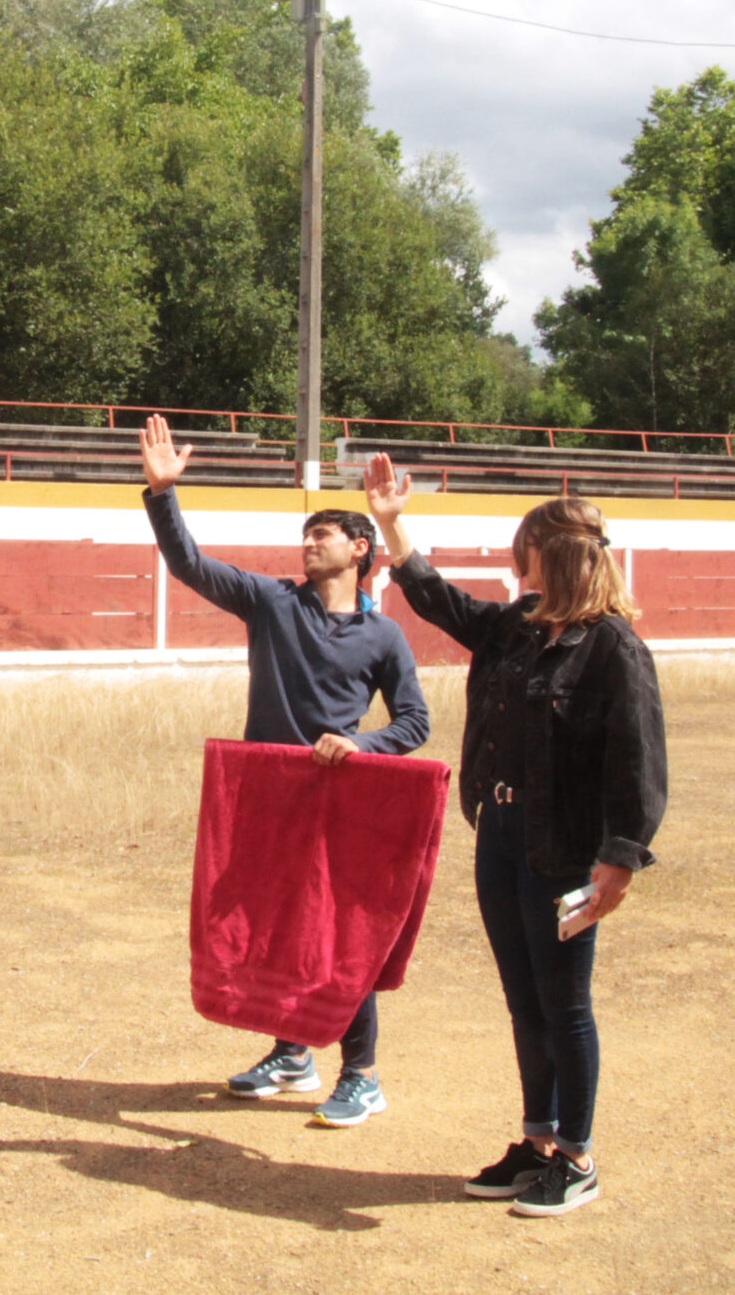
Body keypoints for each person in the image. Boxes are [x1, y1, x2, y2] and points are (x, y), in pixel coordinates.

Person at [361, 455, 666, 1218]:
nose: (508, 559)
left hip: (562, 848)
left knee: (565, 1003)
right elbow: (436, 599)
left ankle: (578, 1153)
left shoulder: (612, 646)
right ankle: (537, 1141)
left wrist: (620, 857)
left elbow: (637, 757)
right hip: (500, 835)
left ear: (552, 556)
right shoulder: (515, 630)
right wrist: (392, 524)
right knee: (523, 999)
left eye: (519, 547)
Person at [139, 414, 429, 1127]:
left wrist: (363, 745)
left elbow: (414, 722)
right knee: (276, 923)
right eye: (306, 536)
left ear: (361, 549)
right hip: (270, 794)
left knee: (335, 935)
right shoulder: (273, 602)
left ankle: (361, 1071)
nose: (308, 543)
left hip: (340, 799)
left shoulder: (384, 633)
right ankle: (293, 1051)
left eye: (323, 535)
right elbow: (190, 566)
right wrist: (161, 495)